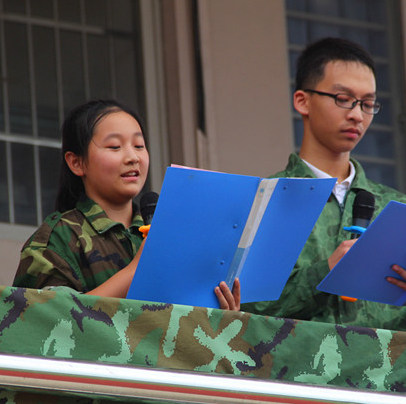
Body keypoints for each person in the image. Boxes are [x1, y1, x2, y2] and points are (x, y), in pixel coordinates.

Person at [242, 37, 406, 337]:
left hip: (385, 368)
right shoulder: (267, 200)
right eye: (343, 99)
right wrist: (326, 272)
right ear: (303, 101)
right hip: (295, 366)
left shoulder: (398, 208)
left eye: (368, 104)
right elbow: (243, 309)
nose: (357, 115)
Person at [13, 99, 240, 310]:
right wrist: (136, 270)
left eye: (139, 146)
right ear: (77, 162)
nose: (133, 157)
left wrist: (223, 316)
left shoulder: (172, 234)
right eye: (115, 147)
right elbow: (46, 321)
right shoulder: (59, 237)